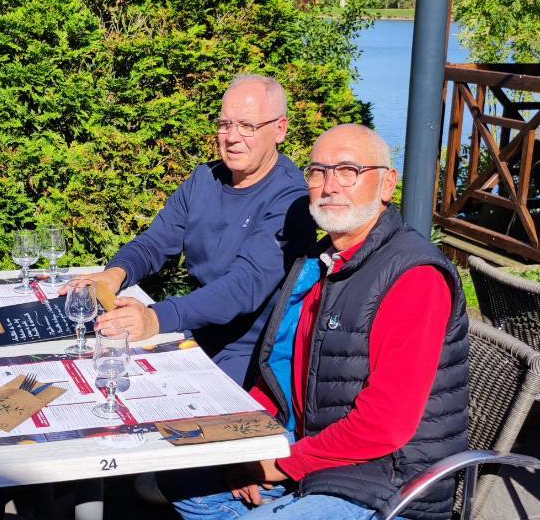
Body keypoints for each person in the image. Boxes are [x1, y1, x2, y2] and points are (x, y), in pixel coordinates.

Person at [160, 124, 470, 520]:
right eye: (318, 172)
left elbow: (383, 427)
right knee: (183, 478)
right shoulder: (321, 263)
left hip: (385, 481)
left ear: (388, 184)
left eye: (348, 171)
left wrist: (280, 464)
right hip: (317, 448)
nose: (330, 186)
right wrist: (248, 448)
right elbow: (282, 371)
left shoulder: (413, 276)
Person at [67, 74, 315, 386]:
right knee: (97, 369)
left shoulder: (292, 201)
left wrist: (155, 318)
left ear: (280, 129)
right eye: (225, 124)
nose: (232, 137)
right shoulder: (205, 179)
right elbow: (156, 241)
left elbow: (243, 288)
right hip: (195, 333)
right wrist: (116, 273)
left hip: (249, 357)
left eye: (247, 126)